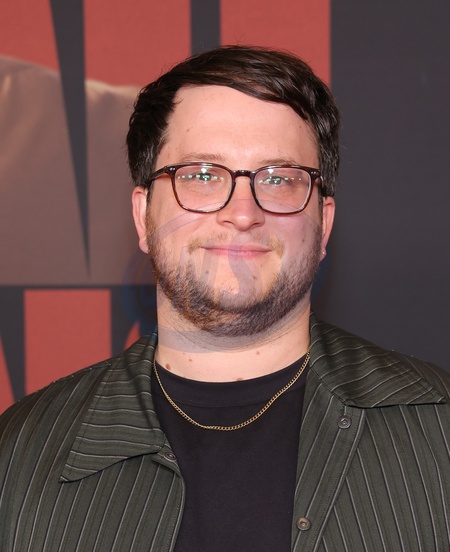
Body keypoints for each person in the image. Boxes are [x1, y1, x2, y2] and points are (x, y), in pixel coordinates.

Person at [0, 46, 448, 552]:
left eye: (278, 179)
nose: (242, 212)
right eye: (201, 175)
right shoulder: (20, 457)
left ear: (323, 224)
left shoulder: (439, 431)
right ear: (143, 216)